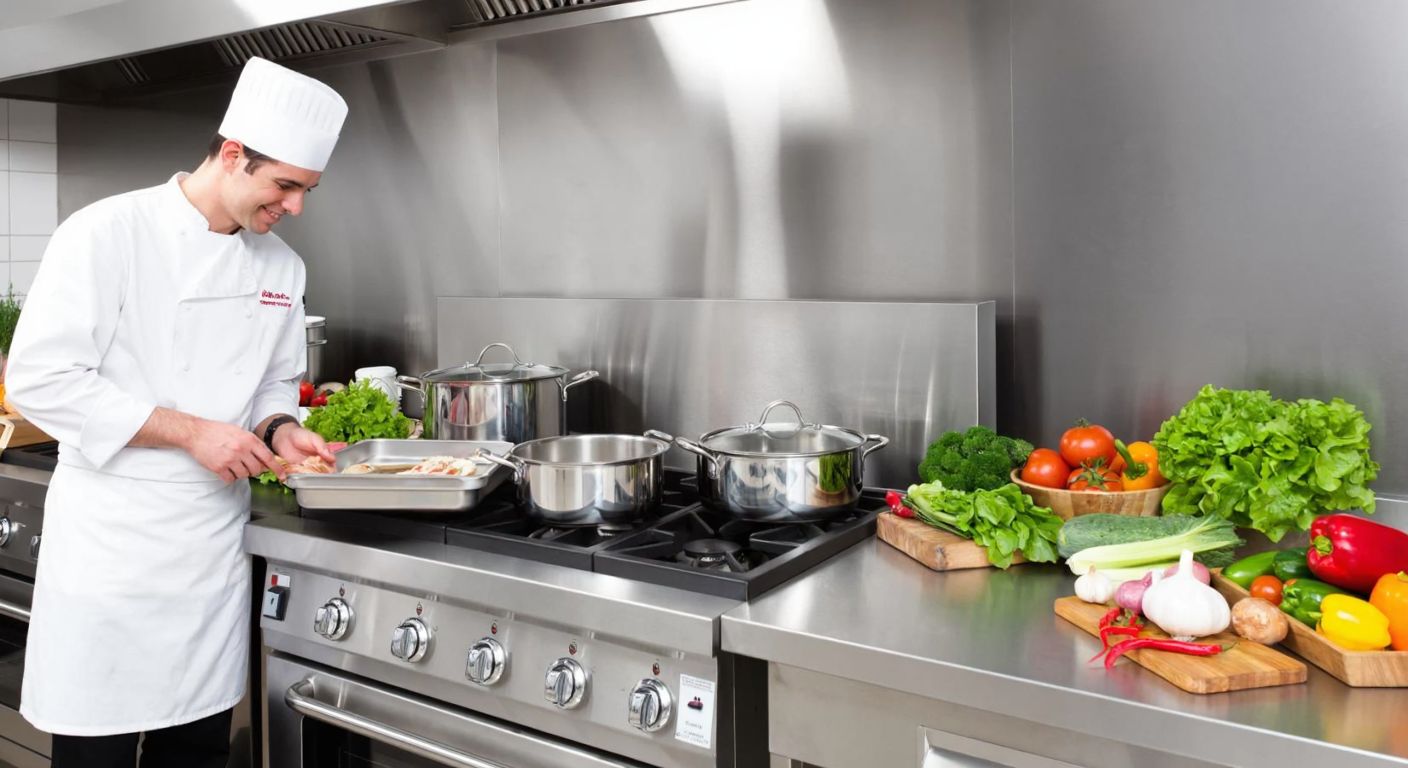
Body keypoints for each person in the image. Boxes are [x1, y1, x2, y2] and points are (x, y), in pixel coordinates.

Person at [4, 57, 347, 768]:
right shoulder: (105, 233)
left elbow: (272, 386)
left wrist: (282, 431)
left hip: (207, 556)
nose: (296, 206)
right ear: (230, 155)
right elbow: (40, 378)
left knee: (194, 752)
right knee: (93, 757)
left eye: (307, 189)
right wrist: (192, 432)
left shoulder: (283, 267)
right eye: (285, 185)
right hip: (113, 555)